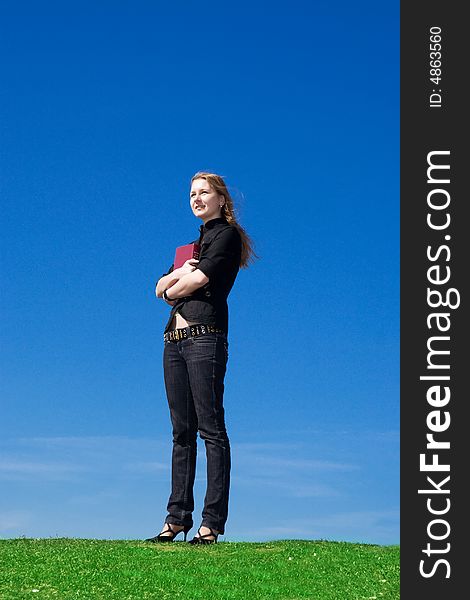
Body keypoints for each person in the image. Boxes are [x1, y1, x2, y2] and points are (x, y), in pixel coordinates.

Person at [146, 172, 257, 545]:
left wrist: (176, 281)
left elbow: (191, 285)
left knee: (211, 429)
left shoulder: (226, 236)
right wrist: (176, 275)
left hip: (204, 337)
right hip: (173, 339)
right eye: (192, 193)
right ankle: (175, 519)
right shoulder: (191, 248)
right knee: (181, 433)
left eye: (203, 192)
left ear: (221, 199)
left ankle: (211, 524)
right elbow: (160, 288)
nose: (196, 198)